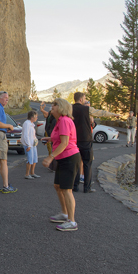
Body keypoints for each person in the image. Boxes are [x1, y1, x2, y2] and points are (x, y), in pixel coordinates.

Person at [41, 97, 81, 231]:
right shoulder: (60, 121)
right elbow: (60, 138)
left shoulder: (64, 120)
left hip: (69, 158)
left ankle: (72, 221)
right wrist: (50, 138)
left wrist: (50, 157)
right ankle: (64, 214)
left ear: (62, 107)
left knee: (66, 189)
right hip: (64, 158)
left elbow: (65, 143)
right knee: (58, 186)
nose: (52, 106)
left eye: (55, 104)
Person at [72, 92, 94, 193]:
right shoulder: (86, 110)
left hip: (74, 140)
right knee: (87, 164)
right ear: (81, 99)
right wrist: (115, 114)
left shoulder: (70, 109)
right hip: (85, 139)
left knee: (76, 164)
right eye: (84, 98)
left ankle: (75, 186)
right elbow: (100, 113)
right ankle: (87, 187)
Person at [21, 110, 40, 179]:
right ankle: (27, 174)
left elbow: (32, 135)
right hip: (29, 144)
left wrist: (36, 140)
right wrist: (28, 145)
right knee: (30, 159)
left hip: (33, 144)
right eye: (36, 117)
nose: (36, 118)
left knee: (34, 158)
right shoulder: (27, 123)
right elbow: (26, 135)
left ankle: (32, 172)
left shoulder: (31, 124)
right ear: (32, 117)